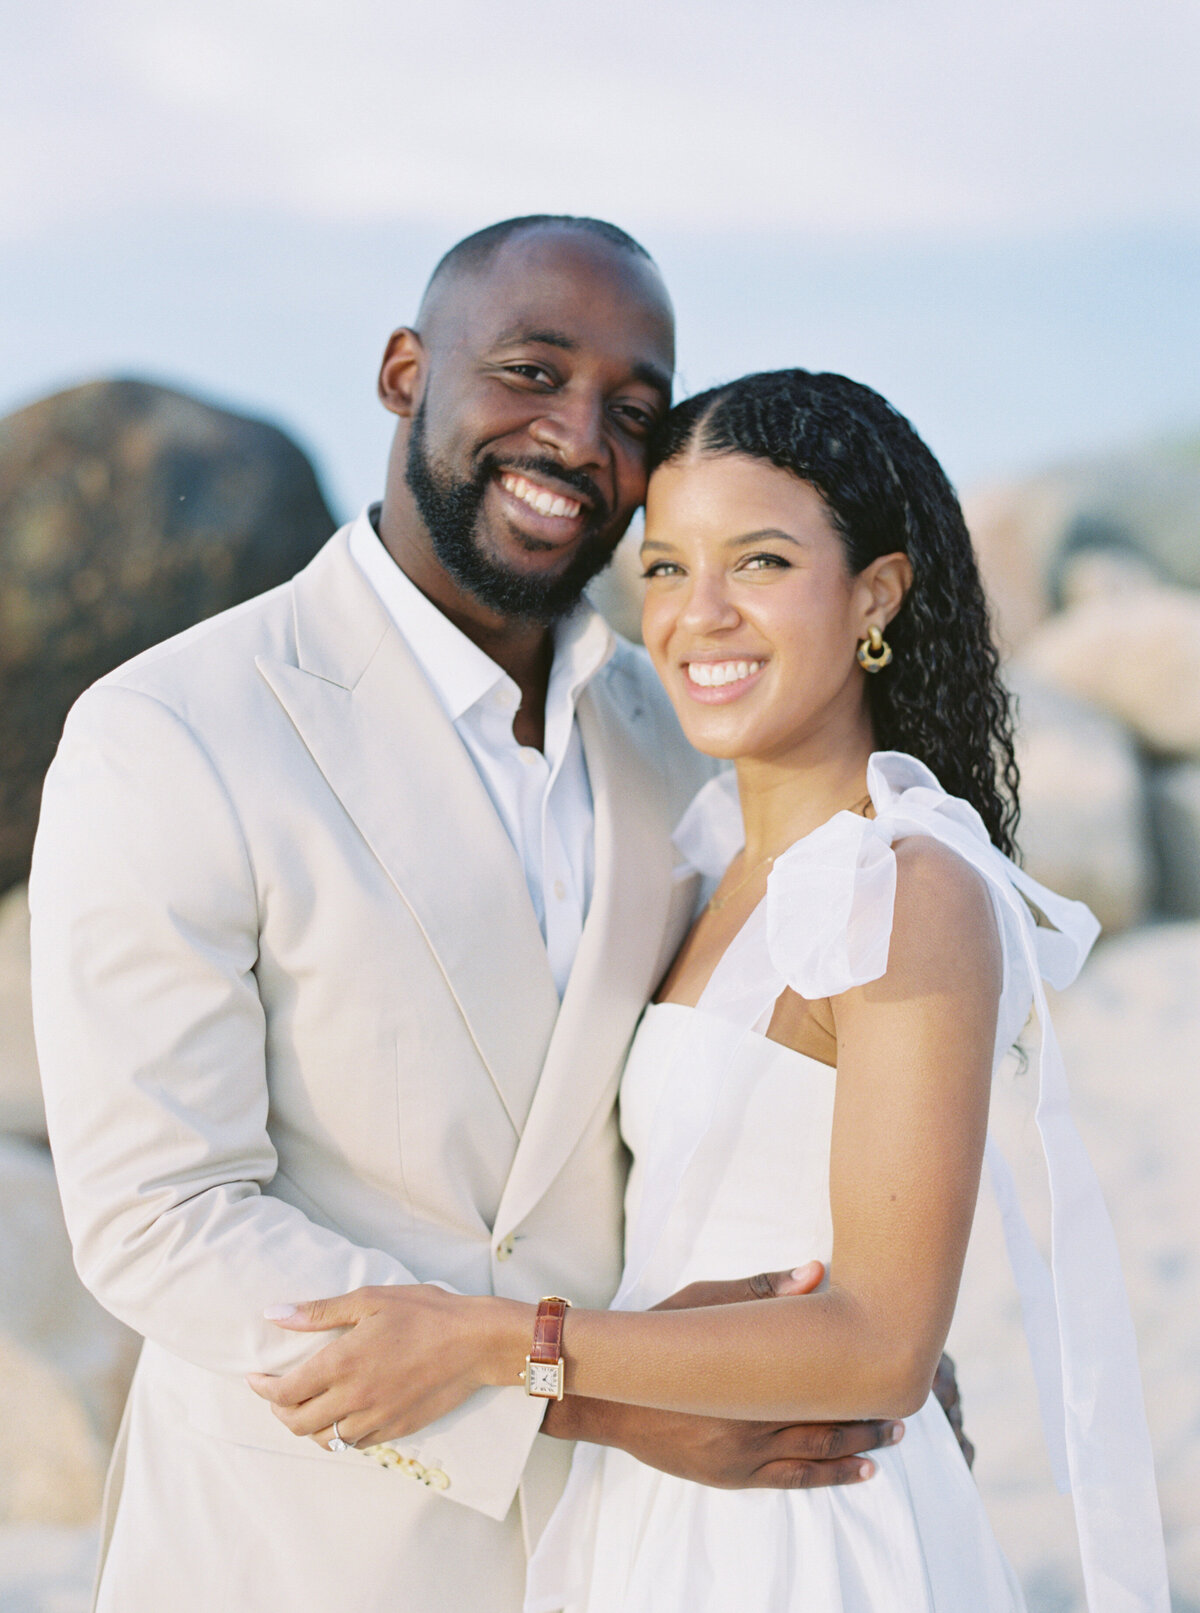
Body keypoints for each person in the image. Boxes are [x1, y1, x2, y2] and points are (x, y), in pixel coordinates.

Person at [30, 222, 918, 1613]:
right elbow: (165, 1214)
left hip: (634, 1546)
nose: (576, 438)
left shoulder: (675, 734)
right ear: (403, 373)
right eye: (530, 371)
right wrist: (588, 1394)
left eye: (632, 411)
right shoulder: (171, 730)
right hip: (293, 1548)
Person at [250, 370, 1169, 1612]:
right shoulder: (703, 865)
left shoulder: (906, 881)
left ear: (876, 597)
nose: (700, 615)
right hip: (659, 1494)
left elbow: (886, 1344)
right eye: (670, 567)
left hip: (797, 1536)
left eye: (763, 563)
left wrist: (492, 1343)